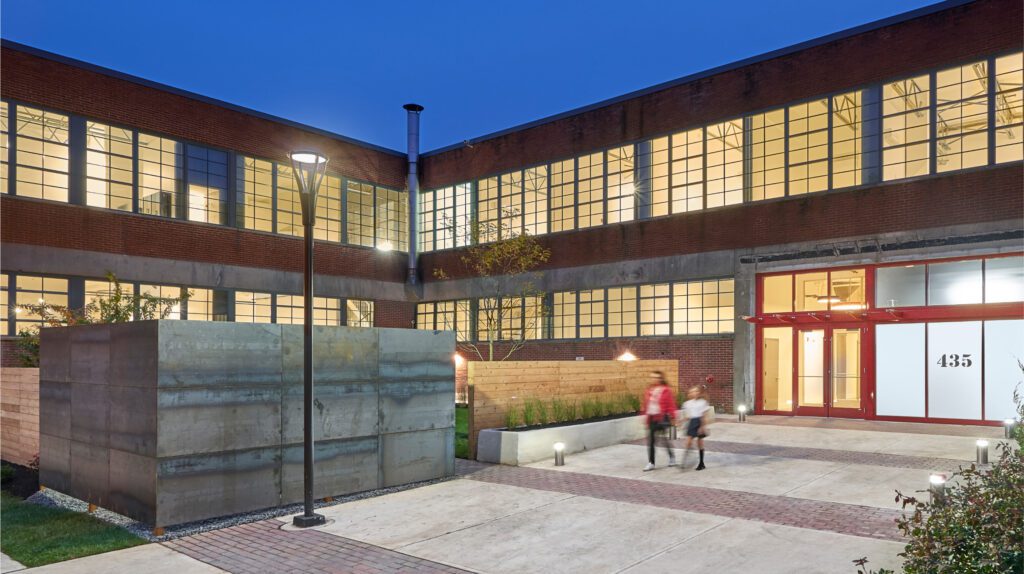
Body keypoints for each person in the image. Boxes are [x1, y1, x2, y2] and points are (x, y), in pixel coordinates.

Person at [640, 371, 677, 471]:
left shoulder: (666, 390)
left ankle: (672, 457)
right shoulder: (649, 390)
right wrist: (644, 416)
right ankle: (651, 463)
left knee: (664, 440)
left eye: (656, 377)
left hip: (662, 418)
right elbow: (645, 405)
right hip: (652, 418)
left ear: (661, 378)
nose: (654, 379)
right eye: (652, 377)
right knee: (651, 441)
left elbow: (671, 405)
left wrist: (673, 418)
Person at [681, 385, 711, 471]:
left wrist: (702, 427)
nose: (695, 393)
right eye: (693, 391)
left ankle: (701, 463)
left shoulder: (703, 402)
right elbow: (688, 416)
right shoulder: (687, 403)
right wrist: (681, 421)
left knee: (699, 443)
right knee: (688, 442)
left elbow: (704, 416)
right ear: (690, 393)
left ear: (699, 393)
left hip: (699, 422)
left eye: (697, 391)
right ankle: (684, 462)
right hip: (692, 422)